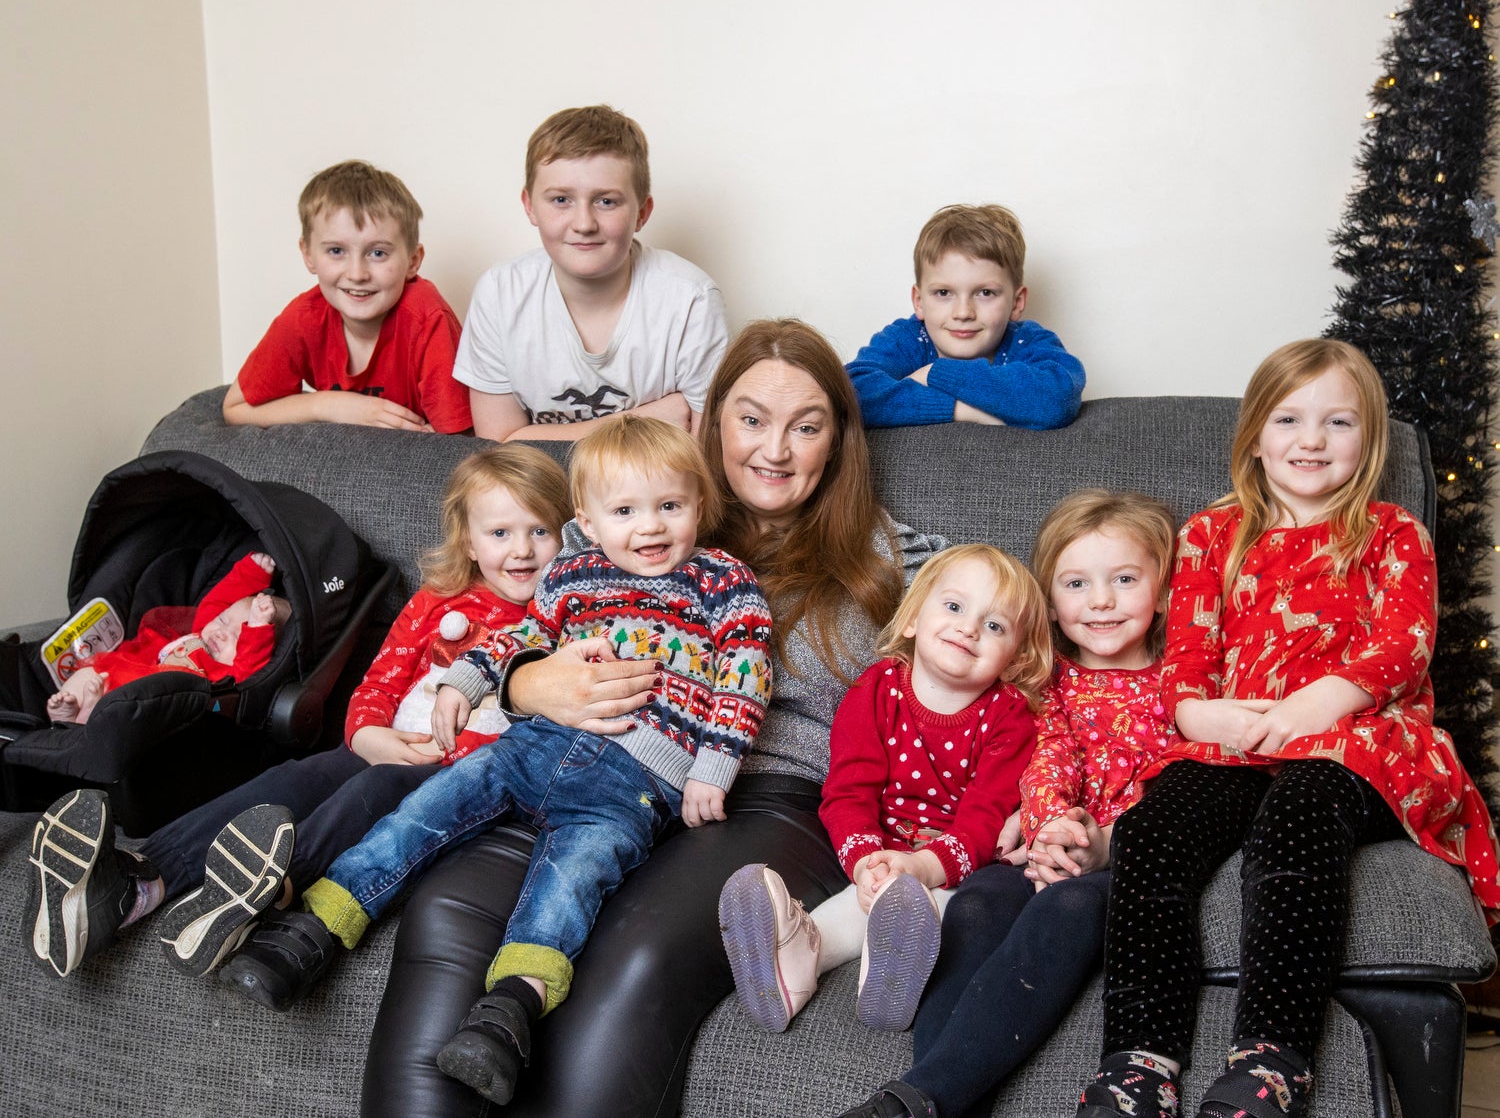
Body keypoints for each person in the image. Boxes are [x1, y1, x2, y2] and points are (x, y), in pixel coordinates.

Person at [356, 319, 947, 1117]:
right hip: (593, 759)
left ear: (838, 440)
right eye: (750, 419)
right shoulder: (632, 512)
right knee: (448, 911)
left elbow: (1003, 624)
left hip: (764, 797)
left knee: (628, 954)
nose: (774, 449)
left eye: (806, 427)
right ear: (708, 423)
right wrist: (530, 685)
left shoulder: (893, 556)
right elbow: (535, 634)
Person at [219, 415, 773, 1108]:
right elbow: (521, 641)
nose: (651, 527)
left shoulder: (722, 579)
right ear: (588, 522)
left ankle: (507, 1013)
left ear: (700, 503)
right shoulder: (572, 572)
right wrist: (462, 681)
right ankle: (310, 933)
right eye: (626, 511)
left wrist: (711, 768)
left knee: (573, 880)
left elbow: (746, 675)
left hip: (636, 780)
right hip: (529, 747)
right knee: (420, 812)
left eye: (671, 506)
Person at [1075, 340, 1500, 1118]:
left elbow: (1404, 645)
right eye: (1290, 419)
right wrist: (1202, 715)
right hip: (1238, 739)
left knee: (1298, 816)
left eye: (1337, 422)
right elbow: (1189, 658)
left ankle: (1270, 1061)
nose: (1311, 440)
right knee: (1153, 830)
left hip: (1357, 743)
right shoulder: (1212, 535)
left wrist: (1319, 705)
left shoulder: (1393, 533)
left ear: (1368, 440)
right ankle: (1139, 1062)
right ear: (1256, 436)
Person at [24, 445, 568, 980]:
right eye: (500, 533)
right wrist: (364, 736)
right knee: (293, 777)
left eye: (540, 531)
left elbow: (549, 729)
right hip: (384, 743)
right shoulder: (437, 599)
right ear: (469, 541)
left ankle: (269, 887)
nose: (521, 550)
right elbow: (380, 679)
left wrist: (447, 754)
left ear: (571, 536)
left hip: (457, 779)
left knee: (368, 795)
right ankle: (137, 883)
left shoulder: (568, 624)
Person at [841, 489, 1177, 1118]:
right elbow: (1046, 758)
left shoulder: (1181, 682)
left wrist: (1106, 840)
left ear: (1162, 589)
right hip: (1043, 846)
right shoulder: (1045, 685)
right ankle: (932, 1096)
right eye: (1077, 583)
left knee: (1071, 903)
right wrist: (1045, 824)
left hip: (1124, 856)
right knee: (980, 902)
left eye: (1125, 580)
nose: (1101, 601)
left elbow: (1189, 781)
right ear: (1050, 603)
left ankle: (922, 1100)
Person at [720, 544, 1049, 1038]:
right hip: (879, 855)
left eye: (995, 626)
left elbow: (983, 818)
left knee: (926, 904)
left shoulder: (1008, 717)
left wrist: (920, 868)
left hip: (956, 866)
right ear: (914, 617)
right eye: (954, 607)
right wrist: (866, 862)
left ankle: (889, 964)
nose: (968, 628)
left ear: (1016, 659)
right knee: (863, 898)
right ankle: (797, 953)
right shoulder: (874, 691)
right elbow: (848, 791)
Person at [453, 104, 729, 441]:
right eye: (560, 200)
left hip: (650, 490)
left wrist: (531, 436)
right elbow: (500, 449)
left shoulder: (691, 300)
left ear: (642, 212)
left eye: (606, 202)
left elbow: (700, 460)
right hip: (536, 489)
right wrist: (643, 421)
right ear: (529, 206)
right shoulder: (500, 293)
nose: (584, 224)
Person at [222, 159, 471, 433]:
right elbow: (236, 408)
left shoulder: (427, 318)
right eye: (336, 251)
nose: (357, 273)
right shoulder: (304, 318)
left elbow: (458, 441)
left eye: (377, 253)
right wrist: (328, 405)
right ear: (308, 255)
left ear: (413, 261)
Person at [846, 203, 1084, 430]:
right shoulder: (907, 339)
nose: (963, 313)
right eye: (943, 292)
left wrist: (934, 373)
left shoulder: (1027, 341)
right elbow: (853, 393)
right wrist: (964, 411)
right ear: (919, 302)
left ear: (1016, 302)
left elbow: (1058, 398)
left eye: (985, 293)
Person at [45, 551, 290, 725]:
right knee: (89, 673)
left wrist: (257, 627)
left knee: (130, 711)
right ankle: (68, 716)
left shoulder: (222, 677)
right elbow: (218, 602)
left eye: (238, 637)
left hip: (150, 703)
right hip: (124, 676)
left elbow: (248, 668)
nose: (221, 632)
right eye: (223, 621)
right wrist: (252, 573)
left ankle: (93, 716)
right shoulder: (203, 631)